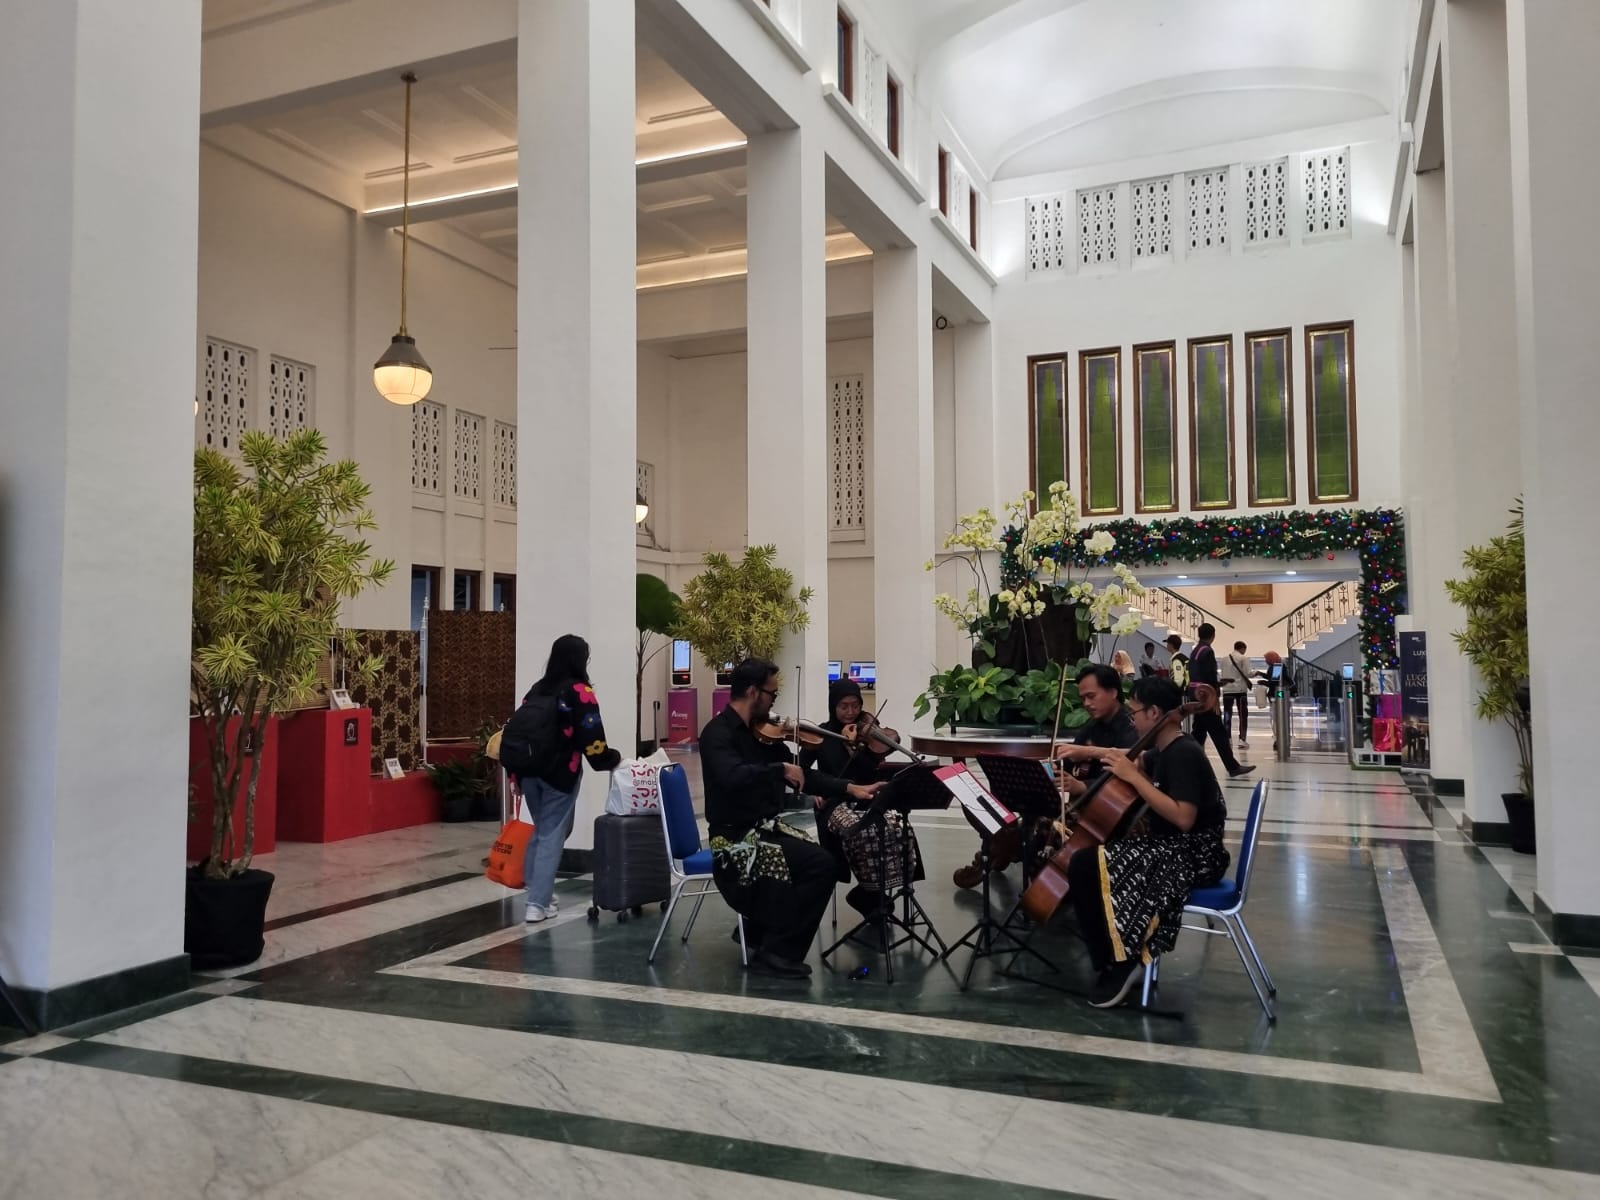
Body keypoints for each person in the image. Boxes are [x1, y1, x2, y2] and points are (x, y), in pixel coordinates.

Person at [700, 659, 882, 978]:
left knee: (819, 859)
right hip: (733, 839)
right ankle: (778, 952)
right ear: (754, 692)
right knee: (819, 865)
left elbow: (804, 777)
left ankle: (762, 933)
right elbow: (732, 776)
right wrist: (778, 769)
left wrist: (852, 788)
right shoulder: (717, 733)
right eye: (772, 693)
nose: (774, 701)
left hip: (764, 829)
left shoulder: (762, 736)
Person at [1064, 677, 1232, 1008]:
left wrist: (1134, 778)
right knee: (1087, 861)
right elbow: (1130, 756)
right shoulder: (1165, 748)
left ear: (1155, 713)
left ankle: (1122, 960)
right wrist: (1087, 751)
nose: (1132, 719)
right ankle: (1114, 957)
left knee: (1087, 865)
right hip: (1176, 847)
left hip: (1194, 854)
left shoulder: (1184, 753)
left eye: (1135, 712)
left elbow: (1183, 818)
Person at [955, 662, 1139, 890]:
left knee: (1043, 827)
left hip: (1109, 816)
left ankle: (1047, 889)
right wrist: (1048, 768)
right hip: (1084, 807)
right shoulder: (1093, 727)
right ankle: (1034, 885)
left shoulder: (1130, 729)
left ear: (1112, 692)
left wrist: (1082, 786)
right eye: (1083, 699)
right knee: (1032, 813)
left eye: (1091, 696)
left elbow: (1124, 783)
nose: (1087, 704)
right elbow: (1069, 758)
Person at [800, 678, 924, 921]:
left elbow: (874, 771)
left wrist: (853, 748)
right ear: (832, 706)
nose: (850, 712)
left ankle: (875, 890)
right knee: (860, 831)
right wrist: (813, 790)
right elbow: (802, 769)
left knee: (898, 827)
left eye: (855, 706)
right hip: (834, 801)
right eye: (843, 706)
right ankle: (867, 896)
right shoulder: (821, 734)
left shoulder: (867, 734)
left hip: (868, 797)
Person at [518, 635, 621, 923]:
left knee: (546, 829)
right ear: (580, 660)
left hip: (529, 771)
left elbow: (520, 731)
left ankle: (536, 888)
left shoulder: (537, 690)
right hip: (560, 773)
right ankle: (536, 903)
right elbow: (591, 734)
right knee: (552, 833)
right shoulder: (579, 691)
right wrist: (610, 760)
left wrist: (516, 773)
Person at [1186, 623, 1256, 779]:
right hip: (1206, 697)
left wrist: (1219, 682)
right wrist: (1215, 697)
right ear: (1213, 635)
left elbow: (1198, 675)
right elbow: (1209, 676)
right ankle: (1233, 767)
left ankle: (1188, 763)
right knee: (1219, 733)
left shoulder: (1195, 651)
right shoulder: (1208, 651)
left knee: (1198, 732)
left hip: (1195, 694)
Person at [1219, 639, 1254, 747]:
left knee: (1227, 715)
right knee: (1242, 716)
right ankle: (1242, 740)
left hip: (1227, 690)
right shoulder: (1243, 658)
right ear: (1243, 648)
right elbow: (1249, 674)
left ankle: (1227, 739)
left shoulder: (1224, 659)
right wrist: (1256, 673)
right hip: (1240, 691)